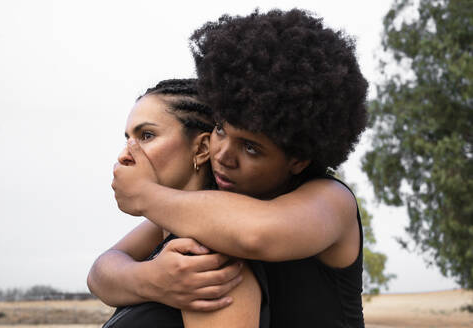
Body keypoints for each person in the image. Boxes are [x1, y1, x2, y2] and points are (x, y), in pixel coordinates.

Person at [91, 8, 368, 327]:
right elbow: (101, 270)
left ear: (298, 158)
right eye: (221, 129)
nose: (223, 155)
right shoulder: (207, 211)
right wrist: (149, 277)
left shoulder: (330, 199)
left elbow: (257, 234)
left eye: (251, 147)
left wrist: (142, 195)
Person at [92, 78, 267, 328]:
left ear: (201, 149)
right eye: (128, 138)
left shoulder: (205, 262)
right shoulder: (167, 236)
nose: (124, 154)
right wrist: (148, 278)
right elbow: (100, 271)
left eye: (147, 135)